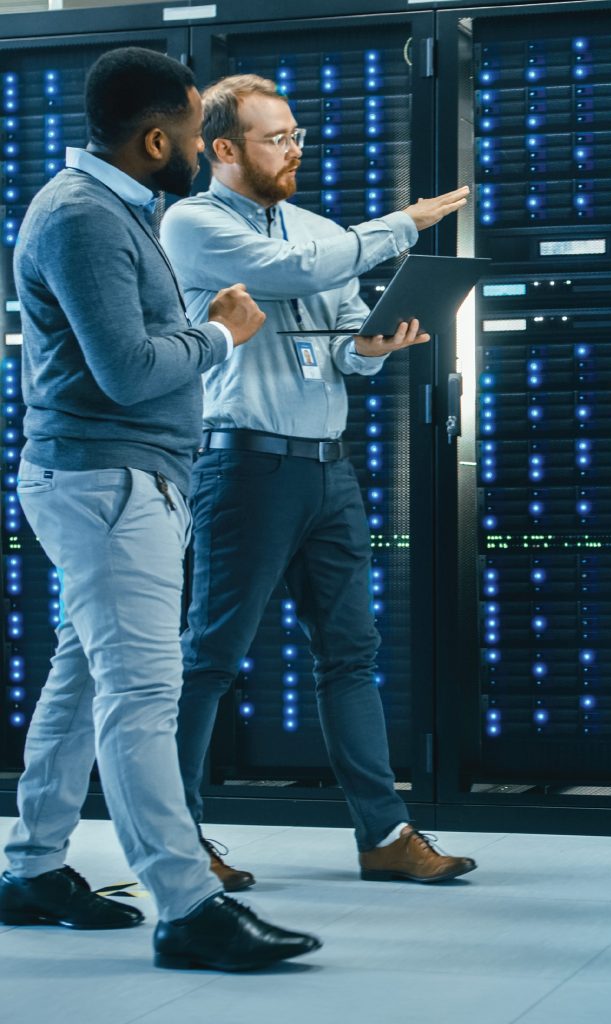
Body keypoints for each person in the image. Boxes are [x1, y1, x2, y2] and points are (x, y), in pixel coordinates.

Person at [0, 49, 320, 972]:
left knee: (84, 682)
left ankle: (29, 868)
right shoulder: (85, 219)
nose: (199, 150)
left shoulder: (108, 210)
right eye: (190, 135)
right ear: (154, 139)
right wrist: (220, 332)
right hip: (108, 483)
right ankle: (189, 907)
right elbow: (130, 373)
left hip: (116, 481)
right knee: (143, 694)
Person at [160, 74, 477, 888]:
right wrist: (401, 224)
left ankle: (385, 836)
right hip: (244, 466)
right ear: (223, 150)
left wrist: (366, 351)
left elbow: (333, 330)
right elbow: (298, 274)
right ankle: (179, 838)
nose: (294, 149)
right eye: (277, 138)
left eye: (298, 135)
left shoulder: (314, 228)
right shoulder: (193, 223)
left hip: (327, 469)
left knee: (350, 655)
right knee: (212, 657)